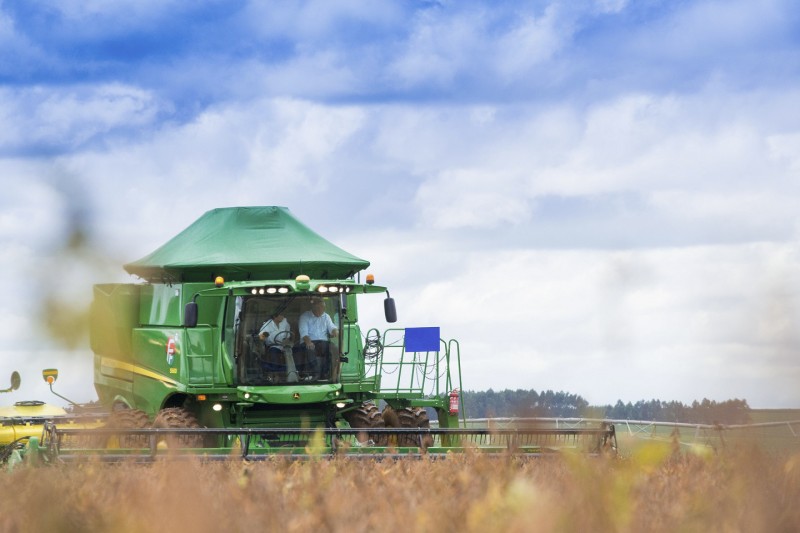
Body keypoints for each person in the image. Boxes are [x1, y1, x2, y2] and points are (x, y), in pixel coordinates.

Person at [297, 298, 339, 379]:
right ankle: (315, 374)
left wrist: (335, 331)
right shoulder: (305, 316)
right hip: (308, 341)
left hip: (323, 342)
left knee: (334, 349)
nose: (320, 310)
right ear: (313, 308)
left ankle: (327, 374)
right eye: (318, 308)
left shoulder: (326, 317)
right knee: (310, 348)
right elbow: (303, 332)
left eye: (322, 308)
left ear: (324, 308)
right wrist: (308, 342)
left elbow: (332, 327)